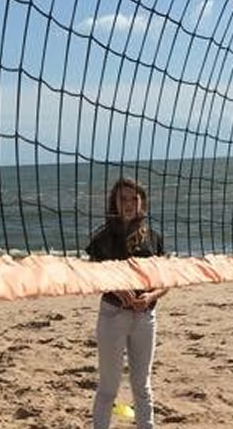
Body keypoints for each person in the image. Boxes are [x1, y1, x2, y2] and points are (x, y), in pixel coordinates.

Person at [86, 178, 167, 429]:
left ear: (141, 202)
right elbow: (91, 277)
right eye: (123, 199)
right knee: (108, 387)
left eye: (134, 198)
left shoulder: (153, 237)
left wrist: (151, 297)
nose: (129, 203)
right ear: (115, 203)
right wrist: (116, 289)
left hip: (145, 317)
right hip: (113, 314)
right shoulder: (103, 238)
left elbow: (167, 279)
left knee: (142, 386)